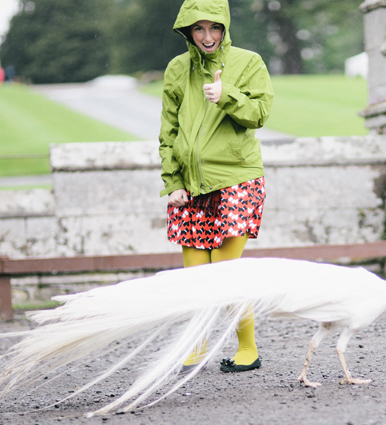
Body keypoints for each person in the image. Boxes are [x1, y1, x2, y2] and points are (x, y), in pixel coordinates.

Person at [158, 0, 273, 373]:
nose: (207, 36)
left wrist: (226, 96)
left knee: (224, 272)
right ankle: (197, 346)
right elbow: (168, 131)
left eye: (214, 28)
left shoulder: (248, 62)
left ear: (225, 28)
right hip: (190, 187)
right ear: (187, 31)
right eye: (198, 29)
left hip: (236, 180)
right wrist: (172, 182)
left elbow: (260, 114)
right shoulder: (177, 69)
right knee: (196, 277)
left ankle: (248, 349)